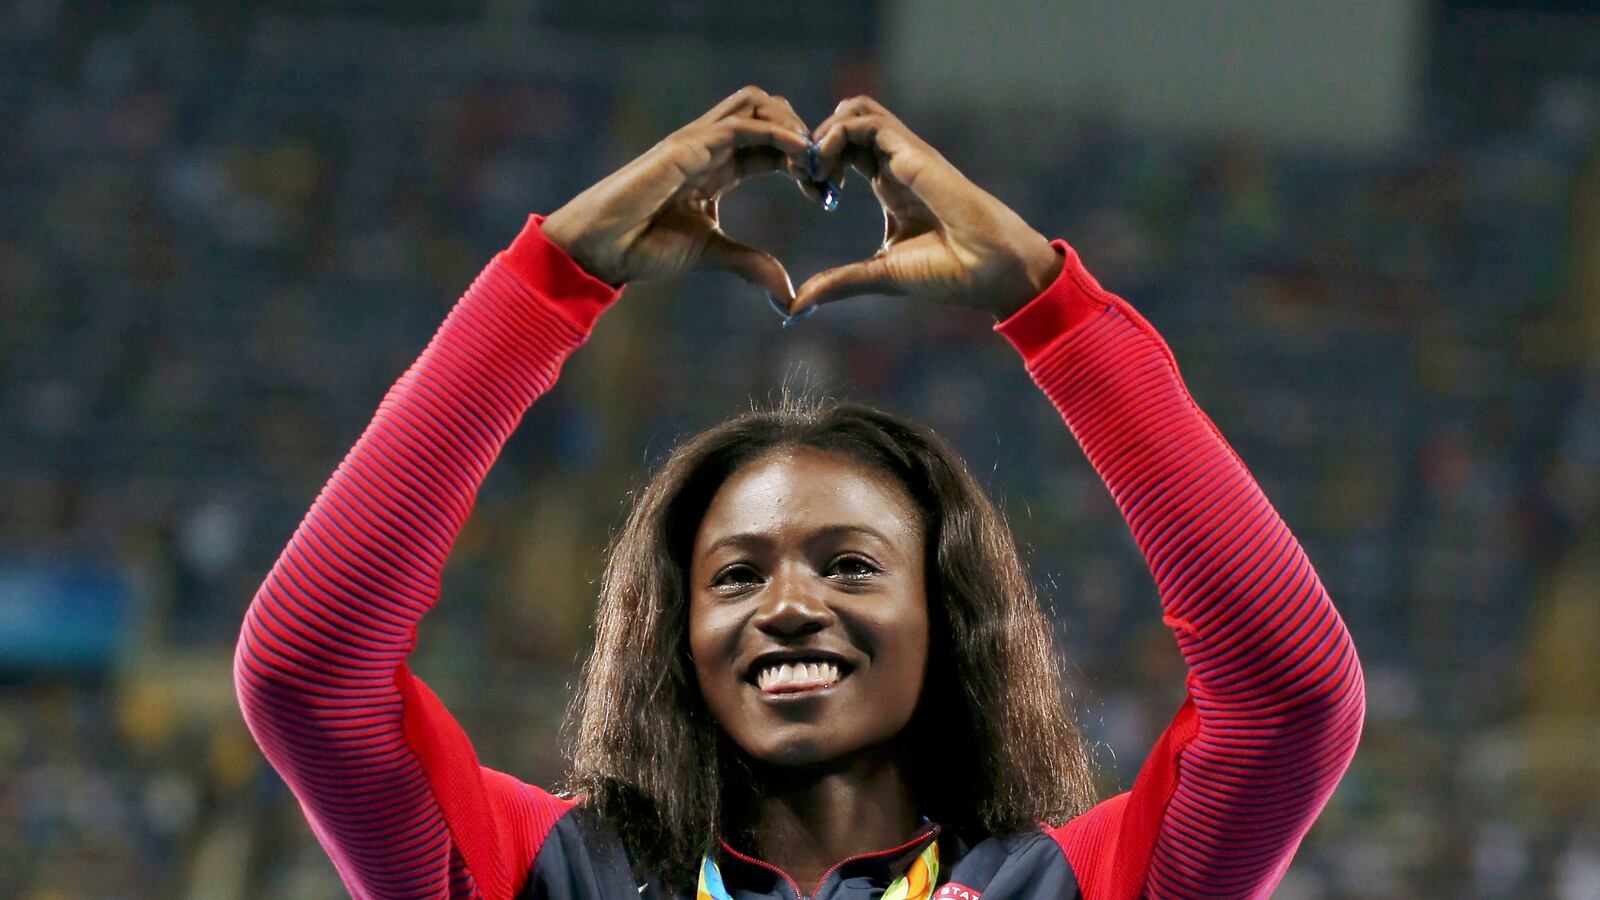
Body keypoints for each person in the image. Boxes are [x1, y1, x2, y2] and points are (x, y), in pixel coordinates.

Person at [234, 87, 1366, 900]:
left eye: (851, 564)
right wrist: (547, 282)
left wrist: (1053, 310)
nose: (787, 603)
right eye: (733, 573)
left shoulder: (1067, 885)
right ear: (678, 634)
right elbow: (307, 672)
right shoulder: (555, 875)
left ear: (943, 619)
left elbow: (1289, 699)